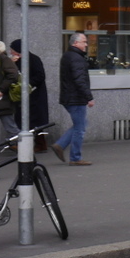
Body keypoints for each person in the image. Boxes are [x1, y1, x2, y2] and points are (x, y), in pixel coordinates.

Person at [51, 32, 94, 166]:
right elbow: (79, 79)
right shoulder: (76, 58)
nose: (86, 44)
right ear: (75, 43)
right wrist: (89, 97)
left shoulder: (68, 55)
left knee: (80, 124)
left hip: (70, 96)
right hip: (75, 98)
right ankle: (75, 157)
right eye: (84, 42)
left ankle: (60, 145)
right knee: (80, 128)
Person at [9, 39, 49, 153]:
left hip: (35, 95)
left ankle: (40, 144)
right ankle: (24, 144)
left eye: (12, 50)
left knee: (35, 121)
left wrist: (27, 84)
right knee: (22, 119)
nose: (11, 52)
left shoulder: (33, 59)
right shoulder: (16, 61)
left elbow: (40, 76)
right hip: (22, 96)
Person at [0, 39, 20, 181]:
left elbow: (13, 75)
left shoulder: (2, 58)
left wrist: (1, 90)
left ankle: (28, 157)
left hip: (1, 101)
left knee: (12, 130)